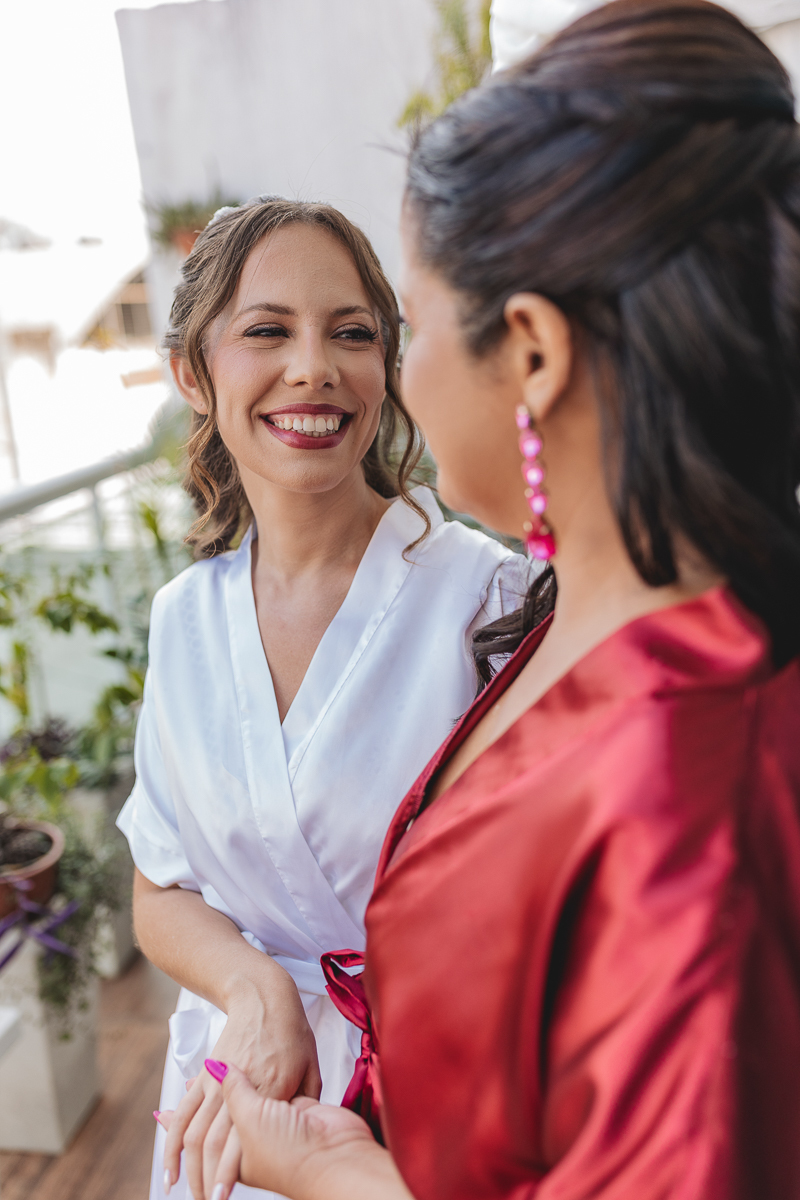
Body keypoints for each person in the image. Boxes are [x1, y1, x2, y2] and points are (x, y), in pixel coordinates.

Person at [185, 2, 800, 1197]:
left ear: (529, 350)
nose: (384, 373)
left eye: (398, 325)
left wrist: (331, 1177)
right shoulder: (576, 617)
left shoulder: (688, 810)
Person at [118, 196, 531, 1200]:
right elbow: (157, 889)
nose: (314, 368)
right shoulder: (183, 620)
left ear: (388, 367)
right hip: (236, 1097)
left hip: (428, 1103)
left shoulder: (491, 602)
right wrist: (250, 985)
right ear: (192, 375)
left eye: (353, 334)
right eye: (267, 331)